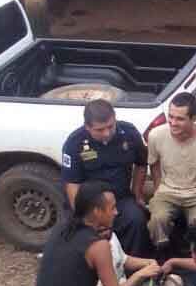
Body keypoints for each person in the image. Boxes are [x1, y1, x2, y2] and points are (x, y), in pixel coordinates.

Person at [34, 180, 170, 286]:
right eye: (112, 208)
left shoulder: (63, 228)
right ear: (97, 212)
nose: (117, 212)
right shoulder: (98, 246)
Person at [62, 99, 150, 256]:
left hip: (120, 199)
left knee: (136, 219)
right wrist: (83, 214)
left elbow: (142, 163)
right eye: (100, 130)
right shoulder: (74, 143)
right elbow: (72, 184)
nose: (107, 133)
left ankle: (134, 266)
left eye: (110, 126)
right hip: (91, 203)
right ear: (87, 127)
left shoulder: (128, 133)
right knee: (78, 232)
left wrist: (137, 192)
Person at [146, 92, 196, 252]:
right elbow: (154, 164)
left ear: (193, 118)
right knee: (158, 219)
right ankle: (162, 254)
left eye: (180, 119)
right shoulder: (156, 135)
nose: (173, 122)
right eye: (170, 117)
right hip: (168, 190)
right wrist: (158, 189)